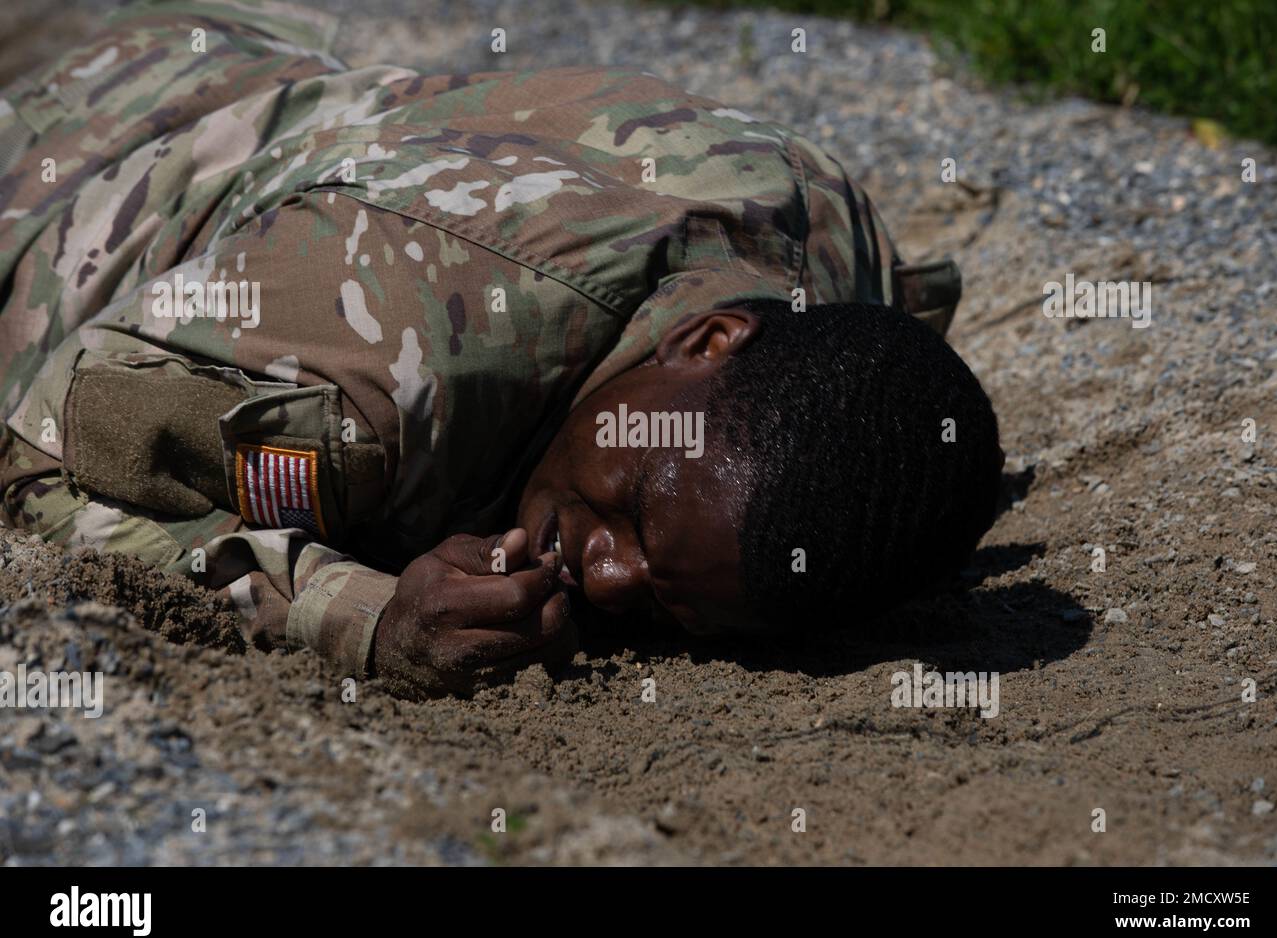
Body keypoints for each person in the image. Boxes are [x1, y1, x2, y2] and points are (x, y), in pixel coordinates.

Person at [0, 0, 1001, 697]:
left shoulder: (829, 242)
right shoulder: (387, 356)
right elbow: (36, 457)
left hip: (280, 84)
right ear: (709, 337)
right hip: (77, 169)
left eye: (669, 603)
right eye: (632, 508)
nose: (604, 577)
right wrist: (361, 614)